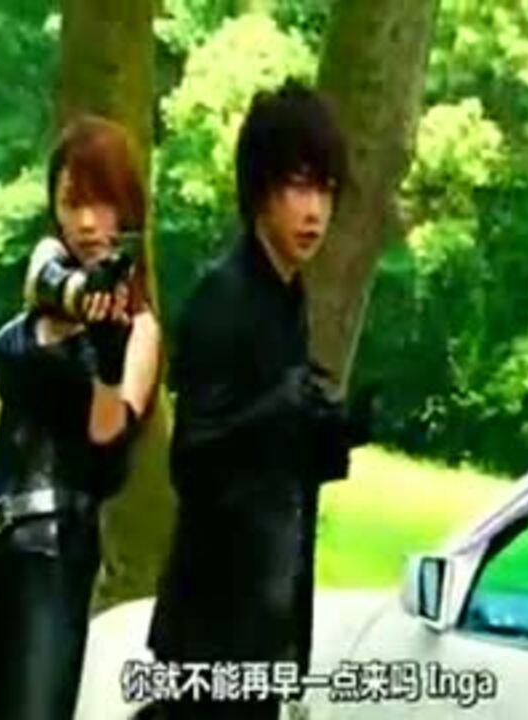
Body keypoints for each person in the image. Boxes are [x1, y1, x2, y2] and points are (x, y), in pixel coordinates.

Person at [0, 116, 162, 720]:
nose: (87, 222)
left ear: (128, 209)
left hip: (51, 562)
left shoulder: (140, 330)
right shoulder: (48, 277)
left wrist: (107, 363)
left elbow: (107, 459)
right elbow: (40, 287)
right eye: (72, 202)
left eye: (101, 203)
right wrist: (80, 300)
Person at [147, 78, 370, 720]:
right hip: (211, 625)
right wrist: (278, 407)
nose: (315, 211)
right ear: (259, 189)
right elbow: (191, 459)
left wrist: (335, 432)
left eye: (326, 189)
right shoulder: (225, 295)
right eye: (298, 186)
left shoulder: (289, 295)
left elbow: (278, 464)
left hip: (268, 619)